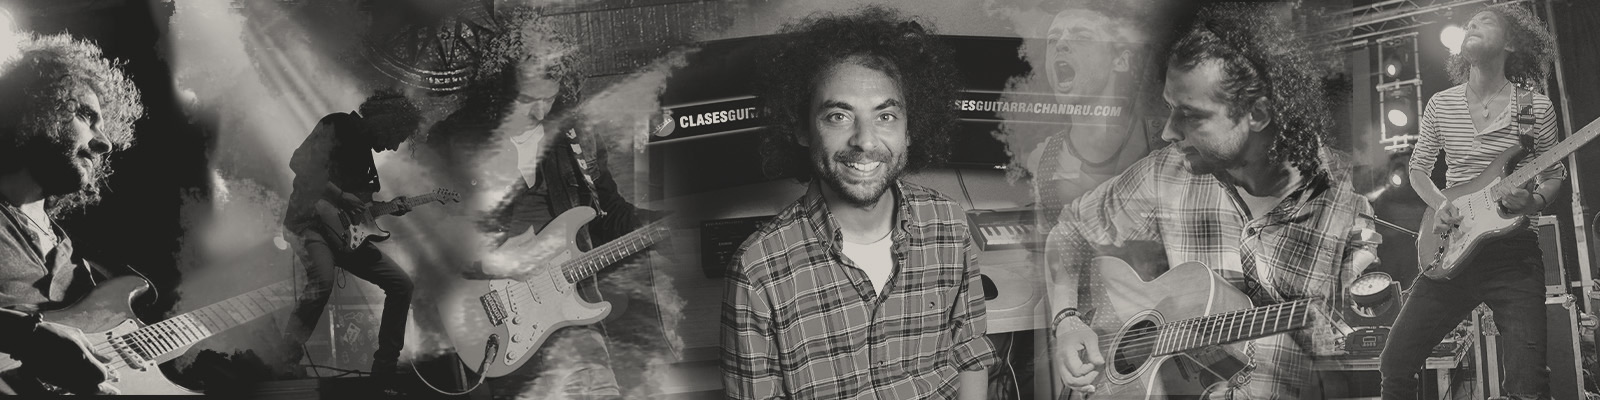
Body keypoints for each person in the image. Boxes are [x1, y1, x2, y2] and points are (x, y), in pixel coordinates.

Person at [1047, 4, 1377, 398]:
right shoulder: (1165, 173)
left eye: (1191, 115)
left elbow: (1343, 361)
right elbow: (1068, 231)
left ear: (1257, 114)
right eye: (1171, 109)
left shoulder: (1340, 210)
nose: (1169, 132)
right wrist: (1068, 321)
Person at [721, 6, 996, 399]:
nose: (865, 141)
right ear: (801, 128)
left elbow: (970, 354)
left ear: (910, 129)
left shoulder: (949, 224)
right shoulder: (757, 272)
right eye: (838, 116)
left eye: (885, 116)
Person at [1380, 5, 1563, 399]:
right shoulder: (1441, 104)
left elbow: (1553, 175)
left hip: (1513, 256)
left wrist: (1530, 201)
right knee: (1394, 363)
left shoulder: (1536, 109)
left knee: (1528, 385)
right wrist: (1439, 204)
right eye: (1469, 23)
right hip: (1453, 244)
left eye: (1485, 21)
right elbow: (1418, 170)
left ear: (1511, 42)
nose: (1471, 25)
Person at [472, 53, 660, 399]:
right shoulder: (465, 143)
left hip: (574, 304)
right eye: (527, 99)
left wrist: (655, 224)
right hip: (500, 314)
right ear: (503, 89)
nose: (540, 111)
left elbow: (608, 211)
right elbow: (436, 235)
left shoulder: (578, 138)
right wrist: (488, 260)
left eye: (549, 97)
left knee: (601, 391)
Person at [0, 33, 143, 395]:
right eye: (86, 116)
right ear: (33, 109)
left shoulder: (70, 252)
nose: (105, 142)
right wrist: (22, 333)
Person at [279, 92, 422, 381]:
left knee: (401, 284)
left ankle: (385, 370)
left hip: (345, 236)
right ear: (385, 121)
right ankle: (285, 358)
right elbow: (299, 163)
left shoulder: (368, 162)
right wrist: (340, 195)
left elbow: (360, 210)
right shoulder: (338, 125)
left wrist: (390, 208)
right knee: (323, 279)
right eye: (395, 136)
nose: (393, 146)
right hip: (308, 224)